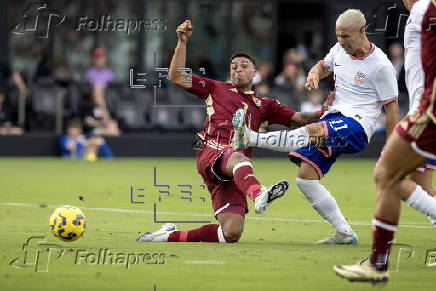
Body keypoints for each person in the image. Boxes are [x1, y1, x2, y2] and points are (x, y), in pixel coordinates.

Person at [231, 8, 435, 244]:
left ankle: (251, 138)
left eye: (346, 36)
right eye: (338, 35)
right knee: (305, 178)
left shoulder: (381, 65)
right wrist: (314, 73)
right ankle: (344, 232)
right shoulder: (339, 49)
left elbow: (392, 110)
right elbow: (323, 64)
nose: (341, 41)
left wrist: (390, 149)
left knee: (314, 131)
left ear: (362, 31)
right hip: (334, 117)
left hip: (358, 125)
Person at [136, 20, 330, 244]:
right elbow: (176, 76)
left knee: (231, 233)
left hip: (236, 170)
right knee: (237, 155)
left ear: (255, 72)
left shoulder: (264, 104)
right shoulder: (216, 88)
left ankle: (168, 235)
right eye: (234, 66)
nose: (238, 68)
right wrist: (182, 42)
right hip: (212, 153)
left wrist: (324, 111)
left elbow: (300, 119)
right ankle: (259, 193)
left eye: (244, 65)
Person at [333, 0, 436, 284]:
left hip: (429, 114)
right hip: (424, 112)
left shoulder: (424, 8)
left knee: (386, 174)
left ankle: (377, 265)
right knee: (411, 180)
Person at [84, 48, 120, 136]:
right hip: (96, 106)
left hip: (106, 101)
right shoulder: (89, 73)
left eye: (100, 57)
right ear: (93, 59)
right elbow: (87, 121)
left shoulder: (109, 73)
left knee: (113, 128)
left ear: (105, 59)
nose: (99, 60)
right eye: (96, 58)